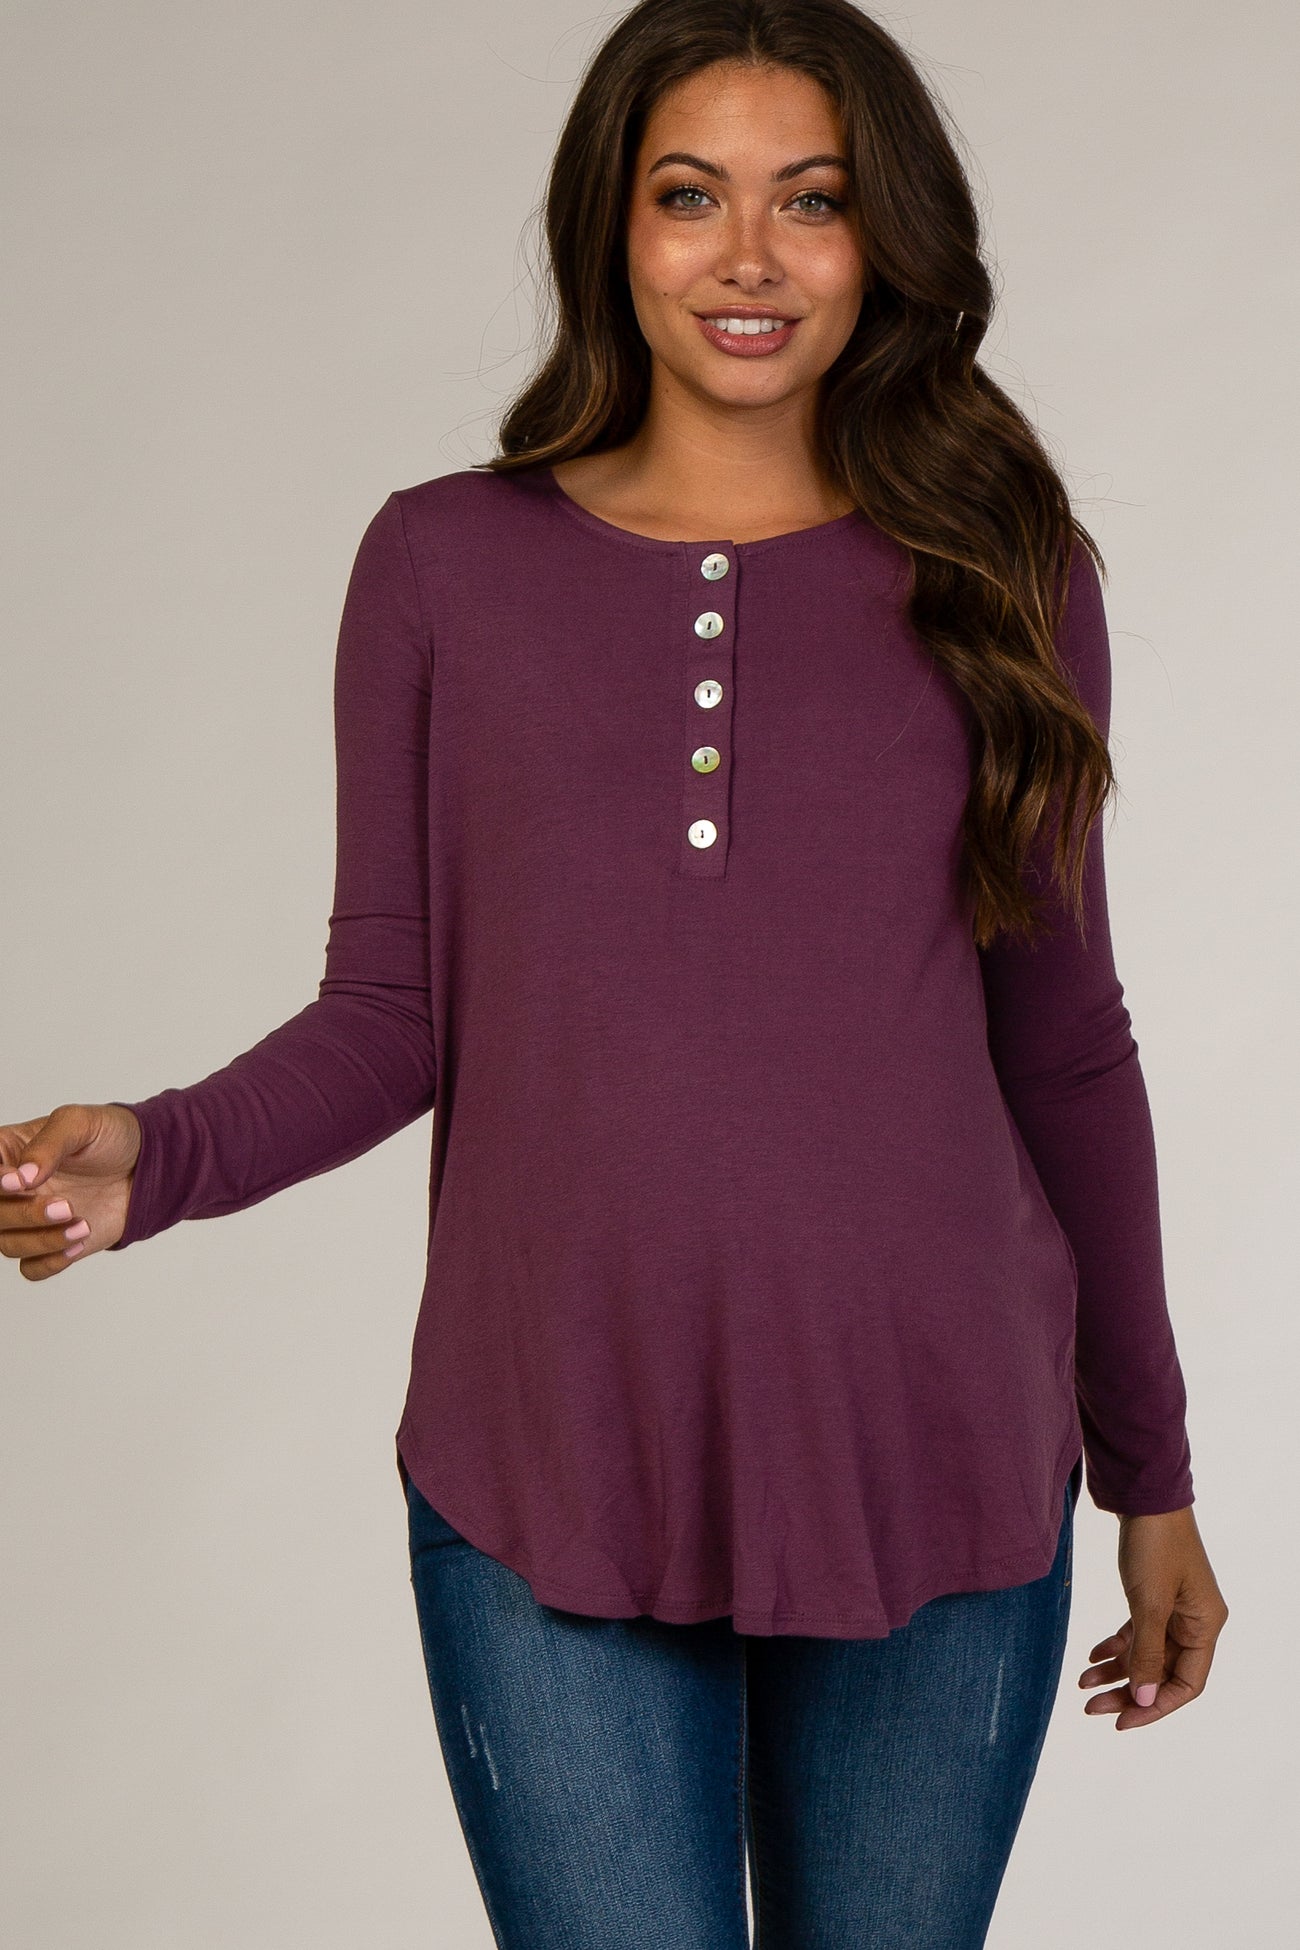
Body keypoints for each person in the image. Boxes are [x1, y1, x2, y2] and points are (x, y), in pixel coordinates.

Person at [1, 1, 1228, 1944]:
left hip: (936, 1455)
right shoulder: (442, 566)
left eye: (809, 199)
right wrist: (159, 1156)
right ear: (611, 222)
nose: (749, 256)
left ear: (883, 235)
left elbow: (1064, 1048)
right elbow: (393, 1011)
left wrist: (1149, 1472)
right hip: (544, 1456)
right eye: (689, 195)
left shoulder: (1004, 569)